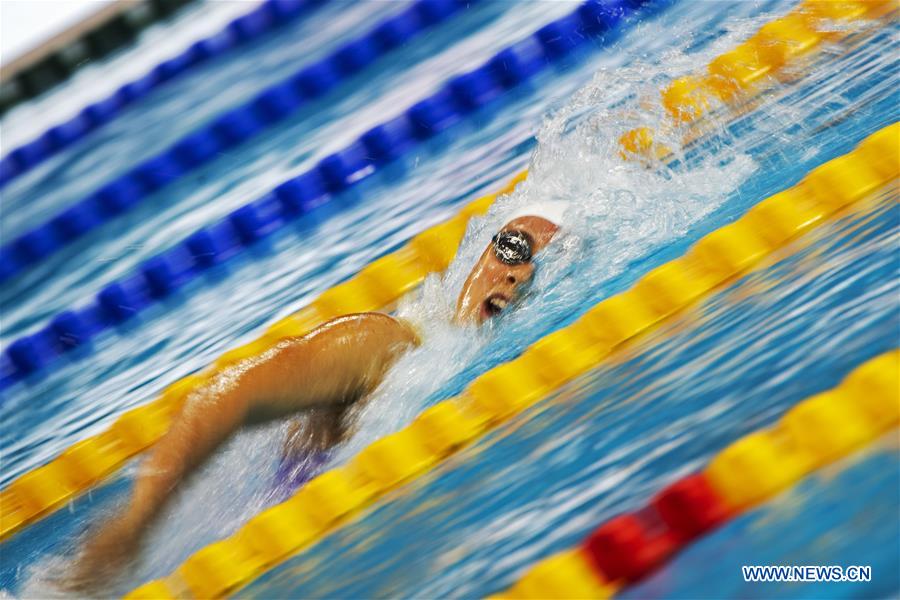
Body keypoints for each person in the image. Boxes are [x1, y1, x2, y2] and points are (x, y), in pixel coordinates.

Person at [69, 202, 565, 586]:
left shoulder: (479, 369)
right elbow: (228, 396)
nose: (516, 273)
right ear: (475, 254)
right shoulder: (386, 343)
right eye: (512, 248)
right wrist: (137, 524)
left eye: (533, 267)